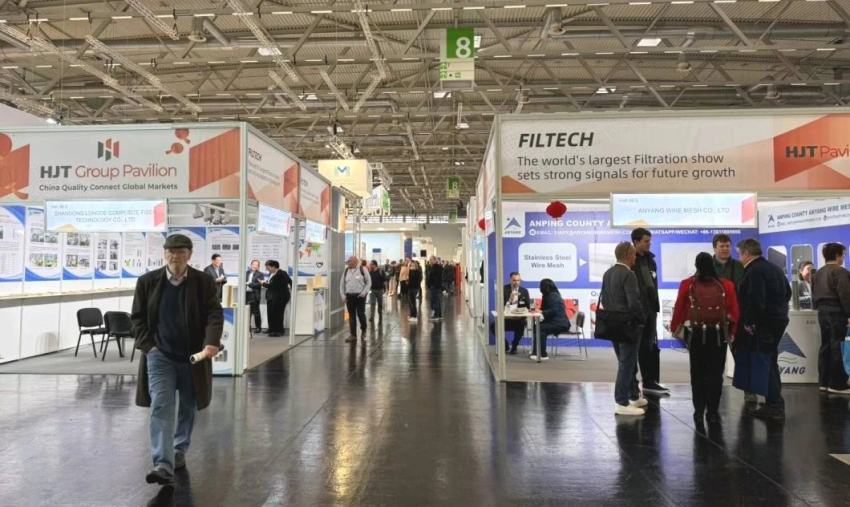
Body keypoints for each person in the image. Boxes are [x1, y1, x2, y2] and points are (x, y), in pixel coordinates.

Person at [131, 234, 223, 486]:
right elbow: (137, 318)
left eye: (181, 252)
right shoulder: (147, 282)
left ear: (189, 255)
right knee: (161, 404)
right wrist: (149, 348)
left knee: (188, 404)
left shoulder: (203, 281)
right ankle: (163, 463)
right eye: (170, 251)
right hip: (160, 356)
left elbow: (214, 313)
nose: (175, 256)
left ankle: (179, 448)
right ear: (164, 254)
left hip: (193, 356)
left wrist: (211, 341)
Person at [670, 252, 739, 424]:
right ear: (713, 265)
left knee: (697, 372)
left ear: (696, 265)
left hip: (695, 334)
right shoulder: (726, 285)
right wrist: (732, 332)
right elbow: (734, 311)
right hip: (718, 334)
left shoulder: (687, 284)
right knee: (715, 372)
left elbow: (679, 308)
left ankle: (699, 410)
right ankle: (713, 411)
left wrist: (675, 328)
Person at [735, 238, 792, 420]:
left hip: (764, 324)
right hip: (778, 320)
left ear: (746, 253)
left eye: (740, 254)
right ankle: (773, 402)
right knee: (770, 360)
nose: (739, 257)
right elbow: (788, 292)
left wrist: (750, 323)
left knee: (766, 363)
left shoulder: (753, 271)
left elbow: (755, 299)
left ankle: (774, 405)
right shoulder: (774, 268)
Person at [600, 242, 646, 416]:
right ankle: (621, 402)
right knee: (627, 364)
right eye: (634, 254)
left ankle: (633, 395)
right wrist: (641, 320)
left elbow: (605, 299)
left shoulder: (608, 273)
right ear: (628, 255)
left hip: (612, 324)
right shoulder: (629, 274)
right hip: (628, 324)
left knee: (626, 362)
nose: (635, 257)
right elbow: (634, 302)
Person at [631, 228, 668, 395]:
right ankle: (632, 385)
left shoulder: (651, 260)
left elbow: (652, 286)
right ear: (636, 242)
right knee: (633, 349)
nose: (649, 244)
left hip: (650, 311)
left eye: (649, 241)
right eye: (646, 241)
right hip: (635, 313)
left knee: (649, 347)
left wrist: (654, 307)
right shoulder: (629, 260)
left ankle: (650, 382)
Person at [811, 243, 850, 394]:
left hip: (822, 312)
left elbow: (814, 294)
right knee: (837, 346)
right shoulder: (841, 272)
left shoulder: (818, 273)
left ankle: (824, 381)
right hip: (837, 312)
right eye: (842, 255)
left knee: (825, 345)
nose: (843, 258)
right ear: (838, 256)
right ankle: (837, 383)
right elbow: (845, 295)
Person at [491, 272, 531, 354]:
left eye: (518, 280)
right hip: (506, 319)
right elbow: (500, 306)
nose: (516, 282)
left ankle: (514, 346)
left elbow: (528, 306)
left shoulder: (524, 291)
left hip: (519, 319)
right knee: (493, 326)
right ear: (510, 280)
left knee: (522, 325)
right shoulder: (504, 289)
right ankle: (505, 345)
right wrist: (510, 299)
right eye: (514, 280)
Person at [534, 279, 571, 361]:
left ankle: (542, 354)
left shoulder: (553, 296)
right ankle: (535, 351)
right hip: (555, 321)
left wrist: (541, 311)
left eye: (540, 286)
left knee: (540, 329)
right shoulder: (547, 295)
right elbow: (545, 309)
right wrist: (539, 310)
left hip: (560, 324)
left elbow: (554, 311)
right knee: (536, 326)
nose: (539, 288)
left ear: (545, 287)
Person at [341, 256, 371, 342]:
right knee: (352, 316)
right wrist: (343, 296)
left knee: (361, 314)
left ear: (354, 262)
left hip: (360, 296)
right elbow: (341, 285)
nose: (347, 263)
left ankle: (364, 331)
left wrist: (364, 292)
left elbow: (369, 282)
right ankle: (353, 335)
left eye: (349, 261)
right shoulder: (346, 271)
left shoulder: (362, 269)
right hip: (349, 296)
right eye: (347, 262)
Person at [262, 260, 292, 337]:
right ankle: (271, 329)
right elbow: (271, 283)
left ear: (274, 266)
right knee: (270, 313)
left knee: (278, 314)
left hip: (280, 297)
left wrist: (263, 284)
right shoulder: (271, 273)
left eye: (268, 267)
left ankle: (278, 331)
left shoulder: (281, 274)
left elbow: (274, 285)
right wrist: (266, 283)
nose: (267, 269)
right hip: (271, 296)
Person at [245, 260, 265, 333]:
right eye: (253, 264)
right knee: (247, 311)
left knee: (256, 312)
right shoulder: (247, 273)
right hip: (246, 294)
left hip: (254, 295)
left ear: (258, 266)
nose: (254, 266)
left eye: (256, 265)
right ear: (251, 265)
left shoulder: (260, 274)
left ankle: (258, 327)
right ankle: (247, 327)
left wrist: (249, 284)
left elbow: (259, 285)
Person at [427, 256, 444, 320]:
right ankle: (439, 315)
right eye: (430, 260)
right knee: (437, 301)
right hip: (435, 286)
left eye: (431, 260)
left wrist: (431, 284)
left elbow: (435, 277)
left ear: (434, 260)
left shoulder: (436, 267)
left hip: (435, 286)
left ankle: (436, 315)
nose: (430, 261)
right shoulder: (434, 267)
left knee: (435, 301)